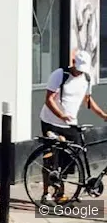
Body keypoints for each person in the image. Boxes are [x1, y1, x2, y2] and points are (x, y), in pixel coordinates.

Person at [38, 50, 107, 204]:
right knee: (51, 158)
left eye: (83, 69)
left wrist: (103, 115)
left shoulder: (86, 78)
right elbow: (49, 100)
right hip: (51, 121)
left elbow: (87, 100)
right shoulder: (60, 75)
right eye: (78, 68)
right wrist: (61, 115)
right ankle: (46, 194)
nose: (79, 72)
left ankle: (59, 193)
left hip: (70, 123)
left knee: (69, 160)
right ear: (73, 62)